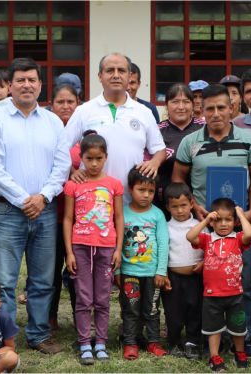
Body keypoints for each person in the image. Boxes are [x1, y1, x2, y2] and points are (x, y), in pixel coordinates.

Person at [0, 57, 71, 355]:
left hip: (44, 210)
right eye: (20, 80)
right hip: (7, 211)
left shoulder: (53, 121)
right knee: (5, 282)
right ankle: (5, 339)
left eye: (32, 79)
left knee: (43, 280)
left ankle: (38, 335)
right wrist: (24, 199)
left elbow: (62, 165)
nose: (26, 85)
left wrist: (42, 197)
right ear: (9, 85)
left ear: (40, 85)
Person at [171, 84, 251, 356]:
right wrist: (196, 206)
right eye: (209, 108)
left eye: (221, 107)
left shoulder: (249, 140)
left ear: (232, 108)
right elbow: (178, 179)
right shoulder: (191, 142)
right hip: (206, 229)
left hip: (238, 228)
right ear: (202, 110)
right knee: (206, 286)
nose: (215, 113)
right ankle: (208, 338)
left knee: (242, 285)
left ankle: (241, 338)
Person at [64, 53, 166, 203]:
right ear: (100, 76)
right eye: (110, 70)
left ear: (130, 76)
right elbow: (61, 148)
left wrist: (154, 162)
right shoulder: (84, 111)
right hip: (92, 202)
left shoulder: (144, 112)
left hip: (132, 202)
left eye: (121, 71)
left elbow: (159, 150)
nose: (116, 75)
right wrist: (72, 171)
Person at [63, 131, 124, 365]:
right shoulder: (72, 186)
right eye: (89, 158)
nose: (94, 163)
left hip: (107, 249)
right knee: (83, 298)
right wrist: (69, 251)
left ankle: (101, 342)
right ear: (81, 158)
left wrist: (118, 249)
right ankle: (84, 343)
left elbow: (119, 217)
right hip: (79, 247)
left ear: (106, 157)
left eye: (99, 158)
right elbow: (68, 219)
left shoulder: (113, 185)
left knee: (102, 298)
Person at [186, 198, 251, 371]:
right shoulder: (207, 239)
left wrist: (240, 214)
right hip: (212, 294)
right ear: (212, 221)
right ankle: (214, 356)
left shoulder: (238, 239)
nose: (223, 224)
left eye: (228, 219)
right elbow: (190, 236)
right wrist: (206, 221)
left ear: (235, 221)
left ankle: (239, 352)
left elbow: (250, 234)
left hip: (234, 294)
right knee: (213, 329)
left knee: (238, 327)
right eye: (218, 219)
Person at [115, 167, 169, 360]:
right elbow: (117, 244)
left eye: (151, 191)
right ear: (130, 188)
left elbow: (163, 244)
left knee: (152, 309)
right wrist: (118, 271)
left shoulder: (158, 215)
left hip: (152, 274)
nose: (146, 195)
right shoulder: (122, 214)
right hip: (129, 272)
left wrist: (161, 271)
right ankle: (130, 344)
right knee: (130, 309)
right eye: (141, 190)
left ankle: (153, 342)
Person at [49, 83, 82, 331]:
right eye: (60, 101)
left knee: (76, 270)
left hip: (79, 218)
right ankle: (49, 318)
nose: (66, 106)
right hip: (51, 213)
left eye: (71, 101)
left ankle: (80, 318)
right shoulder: (46, 132)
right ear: (51, 105)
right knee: (49, 271)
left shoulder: (85, 139)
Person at [160, 183, 204, 361]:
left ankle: (193, 343)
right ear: (167, 208)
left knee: (196, 310)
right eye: (175, 207)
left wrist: (204, 262)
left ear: (192, 203)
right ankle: (174, 343)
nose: (179, 211)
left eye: (184, 205)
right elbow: (162, 252)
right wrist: (164, 274)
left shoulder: (200, 225)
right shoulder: (165, 227)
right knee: (173, 312)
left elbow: (210, 248)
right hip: (173, 278)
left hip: (196, 277)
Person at [153, 83, 205, 216]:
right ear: (166, 105)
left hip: (200, 203)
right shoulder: (156, 131)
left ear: (193, 105)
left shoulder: (205, 129)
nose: (181, 107)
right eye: (175, 102)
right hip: (162, 203)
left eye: (186, 102)